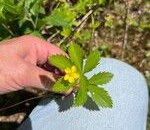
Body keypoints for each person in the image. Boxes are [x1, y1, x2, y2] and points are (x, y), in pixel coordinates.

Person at [0, 35, 148, 130]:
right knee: (128, 79)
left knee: (126, 78)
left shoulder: (76, 75)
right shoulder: (71, 75)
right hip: (74, 82)